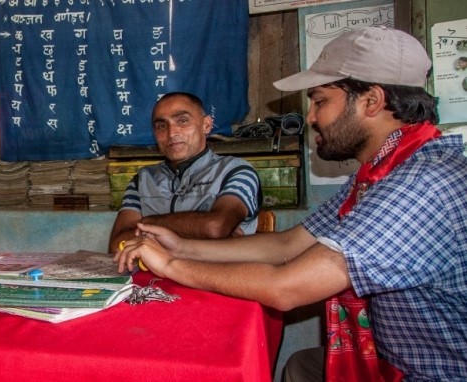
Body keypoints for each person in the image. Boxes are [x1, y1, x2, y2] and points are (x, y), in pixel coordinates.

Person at [115, 27, 467, 381]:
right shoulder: (377, 175)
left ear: (371, 101)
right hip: (386, 358)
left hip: (428, 373)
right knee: (297, 366)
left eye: (320, 100)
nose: (311, 117)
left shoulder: (421, 184)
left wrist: (172, 263)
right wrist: (184, 245)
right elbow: (287, 244)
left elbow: (286, 287)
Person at [106, 92, 260, 253]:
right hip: (153, 276)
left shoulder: (236, 171)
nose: (172, 133)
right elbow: (117, 245)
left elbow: (215, 227)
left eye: (183, 121)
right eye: (161, 126)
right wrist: (199, 228)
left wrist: (147, 223)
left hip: (214, 275)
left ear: (206, 125)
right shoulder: (143, 180)